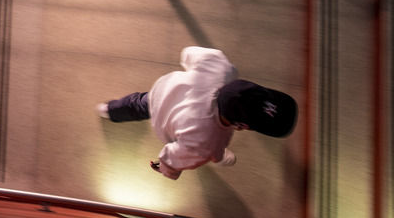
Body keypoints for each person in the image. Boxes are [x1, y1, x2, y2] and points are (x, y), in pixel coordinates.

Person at [96, 46, 297, 180]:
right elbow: (172, 156)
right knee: (214, 151)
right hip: (167, 122)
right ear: (242, 126)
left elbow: (189, 53)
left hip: (162, 91)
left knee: (136, 104)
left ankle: (109, 110)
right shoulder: (205, 143)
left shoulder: (222, 68)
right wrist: (166, 169)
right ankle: (219, 158)